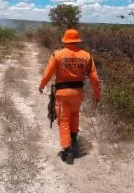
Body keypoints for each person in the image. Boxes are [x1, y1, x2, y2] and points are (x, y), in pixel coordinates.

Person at [39, 29, 101, 165]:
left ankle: (68, 152)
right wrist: (97, 95)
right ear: (77, 40)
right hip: (78, 94)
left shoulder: (58, 55)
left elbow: (47, 74)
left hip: (63, 95)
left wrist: (42, 85)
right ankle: (73, 142)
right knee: (74, 116)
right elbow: (95, 79)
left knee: (64, 121)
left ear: (65, 40)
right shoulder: (87, 56)